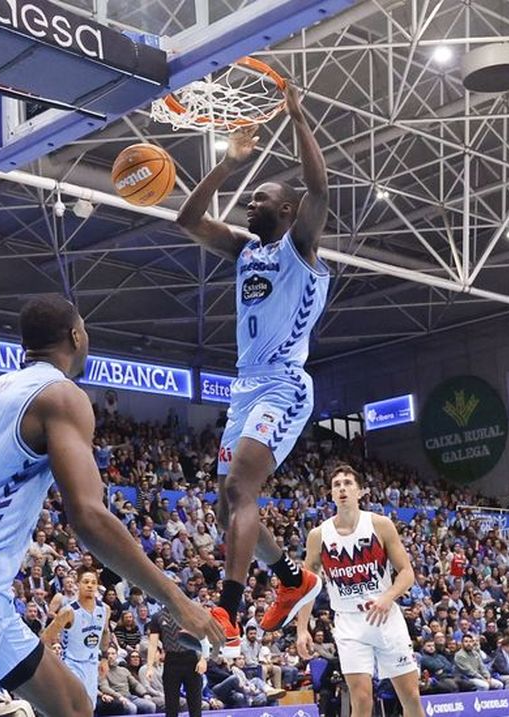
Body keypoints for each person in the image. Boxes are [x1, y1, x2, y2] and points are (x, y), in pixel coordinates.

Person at [0, 295, 224, 717]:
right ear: (76, 336)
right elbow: (88, 516)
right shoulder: (60, 396)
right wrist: (177, 601)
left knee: (74, 706)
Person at [175, 82, 330, 650]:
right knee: (224, 506)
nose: (250, 203)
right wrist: (228, 162)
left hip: (285, 384)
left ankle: (228, 610)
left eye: (260, 198)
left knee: (242, 490)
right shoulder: (245, 249)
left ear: (287, 212)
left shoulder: (301, 247)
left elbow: (319, 186)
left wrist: (297, 117)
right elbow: (187, 219)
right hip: (244, 388)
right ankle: (293, 580)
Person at [295, 465, 425, 717]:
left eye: (347, 483)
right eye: (336, 485)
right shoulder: (318, 535)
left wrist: (388, 598)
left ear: (360, 491)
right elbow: (306, 587)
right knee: (361, 699)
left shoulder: (380, 525)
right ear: (331, 494)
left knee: (410, 696)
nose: (342, 488)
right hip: (349, 623)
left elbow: (407, 572)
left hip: (386, 618)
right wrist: (302, 630)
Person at [43, 566, 109, 706]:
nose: (90, 585)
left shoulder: (105, 609)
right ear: (78, 584)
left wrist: (104, 658)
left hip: (91, 664)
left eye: (93, 582)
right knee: (74, 706)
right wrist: (53, 664)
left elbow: (105, 632)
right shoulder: (68, 611)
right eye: (86, 582)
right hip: (71, 665)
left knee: (90, 708)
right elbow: (45, 638)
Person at [144, 603, 205, 717]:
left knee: (195, 703)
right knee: (171, 704)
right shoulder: (158, 616)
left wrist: (203, 659)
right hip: (171, 661)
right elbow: (152, 644)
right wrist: (149, 667)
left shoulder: (189, 614)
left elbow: (202, 636)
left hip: (191, 659)